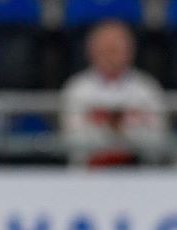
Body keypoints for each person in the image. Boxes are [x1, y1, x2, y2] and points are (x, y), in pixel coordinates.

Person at [60, 20, 167, 167]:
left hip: (138, 172)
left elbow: (159, 137)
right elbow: (73, 139)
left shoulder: (146, 89)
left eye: (115, 50)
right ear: (91, 52)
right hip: (90, 173)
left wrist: (122, 138)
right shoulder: (77, 88)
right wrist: (115, 135)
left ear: (130, 52)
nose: (110, 57)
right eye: (104, 50)